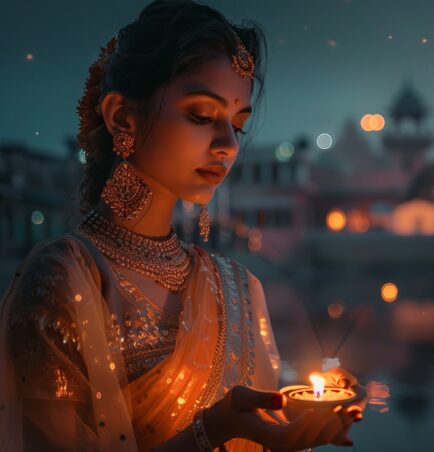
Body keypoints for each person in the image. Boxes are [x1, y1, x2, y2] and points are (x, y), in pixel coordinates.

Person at [0, 1, 362, 450]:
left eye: (237, 126)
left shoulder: (240, 288)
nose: (227, 145)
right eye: (201, 115)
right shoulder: (63, 278)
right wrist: (214, 429)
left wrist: (302, 412)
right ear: (122, 118)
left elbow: (263, 430)